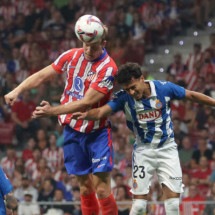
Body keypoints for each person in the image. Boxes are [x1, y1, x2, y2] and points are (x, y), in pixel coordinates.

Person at [4, 14, 118, 215]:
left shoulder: (108, 68)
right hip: (72, 132)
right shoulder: (71, 55)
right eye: (85, 44)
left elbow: (86, 102)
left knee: (101, 188)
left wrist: (52, 111)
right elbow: (41, 75)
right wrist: (17, 90)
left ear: (103, 42)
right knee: (84, 187)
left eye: (94, 46)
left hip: (97, 132)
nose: (88, 50)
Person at [71, 62, 215, 215]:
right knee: (139, 206)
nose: (131, 92)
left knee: (172, 205)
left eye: (133, 87)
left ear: (141, 78)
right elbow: (101, 112)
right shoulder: (124, 98)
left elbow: (191, 95)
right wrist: (86, 115)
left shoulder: (163, 88)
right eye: (127, 89)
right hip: (143, 150)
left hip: (167, 149)